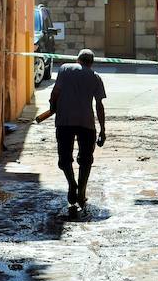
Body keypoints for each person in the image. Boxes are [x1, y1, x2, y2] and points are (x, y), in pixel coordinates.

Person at [40, 49, 107, 207]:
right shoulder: (96, 77)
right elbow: (99, 106)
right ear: (91, 63)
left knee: (64, 158)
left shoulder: (65, 69)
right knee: (85, 159)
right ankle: (81, 190)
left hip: (64, 121)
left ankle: (72, 184)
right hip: (86, 123)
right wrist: (103, 129)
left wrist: (52, 106)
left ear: (78, 60)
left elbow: (55, 92)